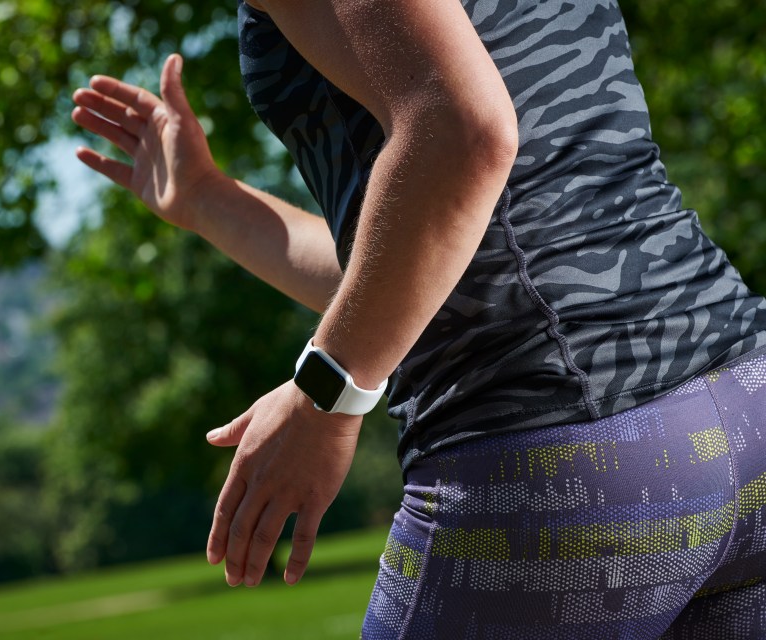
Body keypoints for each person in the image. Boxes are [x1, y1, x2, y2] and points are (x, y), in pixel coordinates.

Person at [71, 0, 766, 636]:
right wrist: (207, 200)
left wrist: (325, 398)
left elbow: (464, 133)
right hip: (742, 408)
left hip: (561, 452)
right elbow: (421, 262)